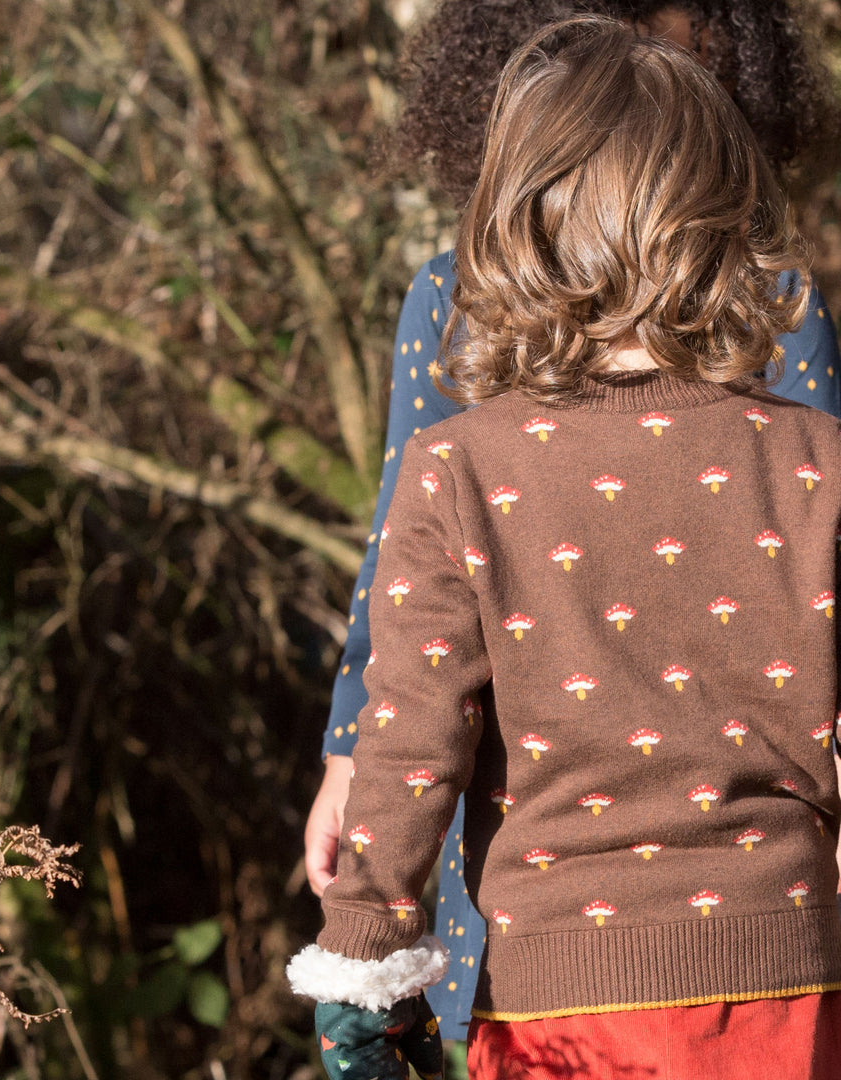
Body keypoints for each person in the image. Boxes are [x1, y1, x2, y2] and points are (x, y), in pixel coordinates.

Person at [291, 16, 841, 1079]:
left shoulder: (458, 470)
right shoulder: (819, 461)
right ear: (730, 223)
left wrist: (366, 957)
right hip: (796, 984)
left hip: (562, 1011)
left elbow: (408, 750)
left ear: (511, 227)